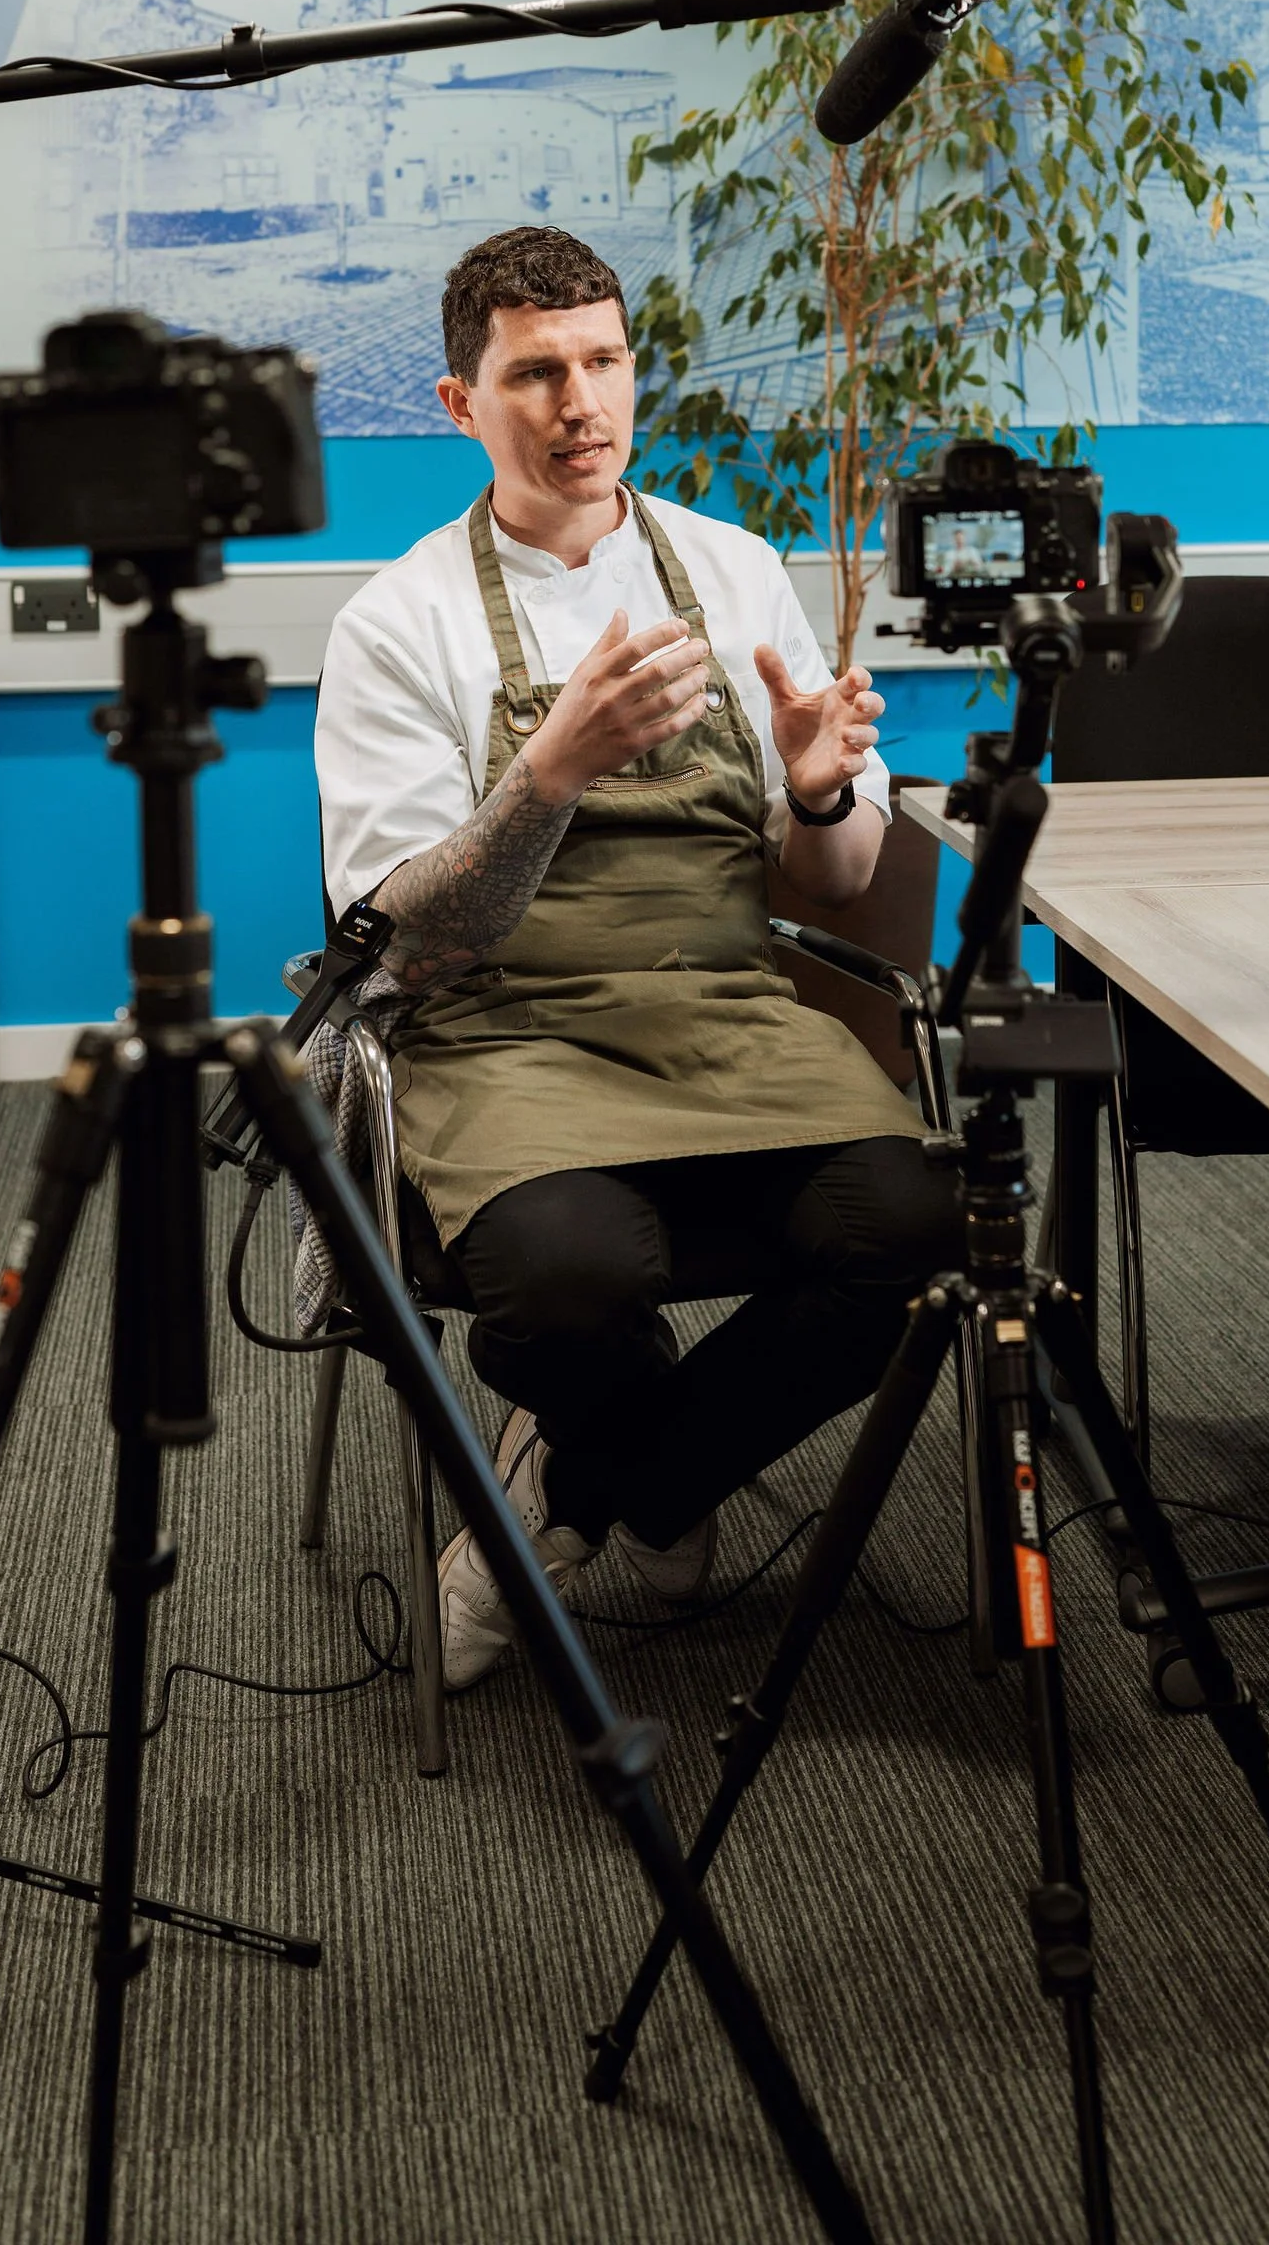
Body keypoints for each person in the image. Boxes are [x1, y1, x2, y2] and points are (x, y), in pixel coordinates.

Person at [315, 225, 959, 1689]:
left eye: (602, 360)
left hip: (731, 1020)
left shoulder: (731, 573)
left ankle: (597, 1488)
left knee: (923, 1232)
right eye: (533, 373)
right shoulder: (400, 622)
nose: (580, 404)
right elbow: (404, 938)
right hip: (501, 1038)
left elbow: (842, 888)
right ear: (459, 404)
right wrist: (548, 774)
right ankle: (633, 1468)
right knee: (565, 1282)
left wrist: (811, 786)